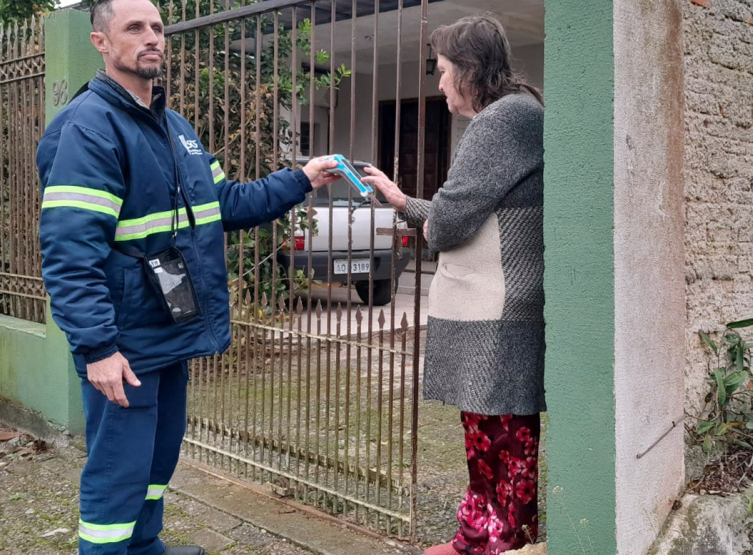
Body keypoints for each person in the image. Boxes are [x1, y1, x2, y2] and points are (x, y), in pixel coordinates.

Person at [35, 0, 339, 553]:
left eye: (157, 27)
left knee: (158, 456)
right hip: (125, 341)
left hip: (171, 326)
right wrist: (98, 347)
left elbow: (224, 202)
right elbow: (69, 252)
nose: (152, 37)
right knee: (118, 470)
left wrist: (301, 178)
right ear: (102, 43)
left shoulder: (176, 128)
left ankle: (145, 546)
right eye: (134, 28)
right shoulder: (89, 128)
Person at [361, 15, 545, 555]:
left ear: (468, 70)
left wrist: (427, 213)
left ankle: (501, 542)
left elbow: (446, 224)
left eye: (442, 71)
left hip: (498, 303)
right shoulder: (516, 114)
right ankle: (477, 537)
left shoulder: (500, 122)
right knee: (487, 429)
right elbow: (456, 213)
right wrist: (399, 200)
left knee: (502, 433)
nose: (438, 82)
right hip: (496, 301)